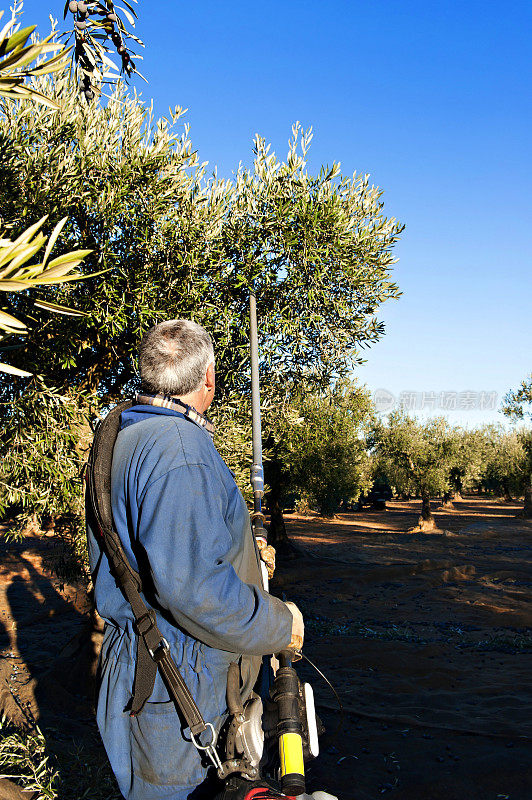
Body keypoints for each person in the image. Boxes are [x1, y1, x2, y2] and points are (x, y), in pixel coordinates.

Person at [86, 319, 304, 800]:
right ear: (207, 377)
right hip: (181, 677)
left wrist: (244, 551)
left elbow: (162, 550)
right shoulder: (180, 450)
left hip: (150, 663)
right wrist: (278, 622)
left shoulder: (127, 434)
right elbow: (194, 590)